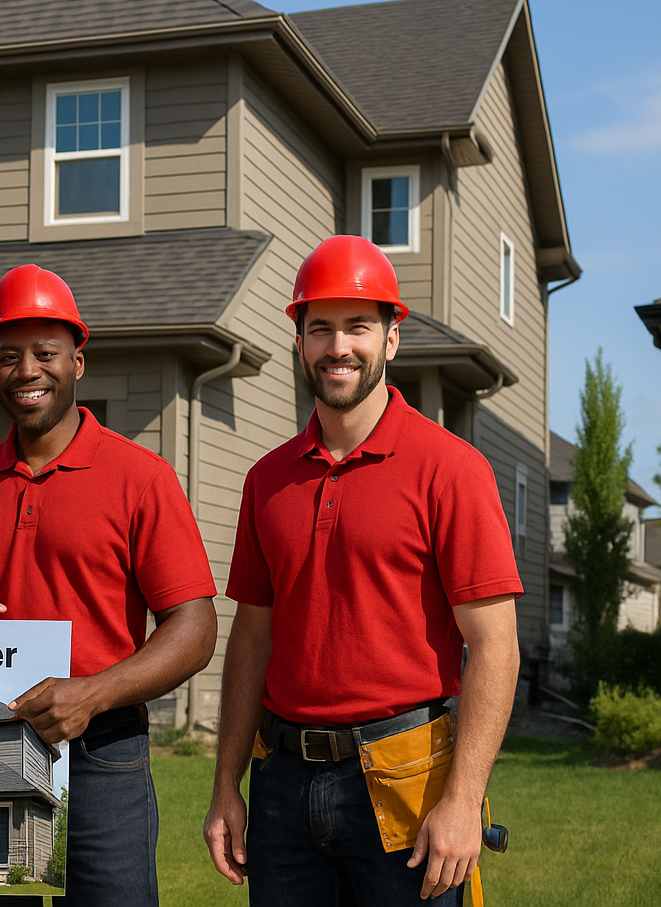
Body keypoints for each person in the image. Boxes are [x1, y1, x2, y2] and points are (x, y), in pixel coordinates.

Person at [203, 235, 523, 905]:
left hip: (409, 780)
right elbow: (252, 639)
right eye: (320, 328)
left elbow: (494, 646)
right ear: (299, 342)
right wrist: (225, 786)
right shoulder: (266, 480)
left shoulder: (452, 469)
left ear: (392, 339)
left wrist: (464, 801)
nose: (338, 346)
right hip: (283, 786)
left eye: (358, 327)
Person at [0, 264, 219, 907]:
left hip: (104, 754)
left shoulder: (141, 477)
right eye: (8, 355)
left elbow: (194, 628)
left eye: (45, 353)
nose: (27, 370)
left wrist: (94, 693)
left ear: (79, 361)